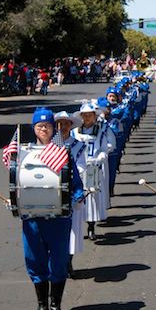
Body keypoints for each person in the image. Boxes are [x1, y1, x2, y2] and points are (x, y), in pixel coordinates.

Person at [16, 108, 84, 310]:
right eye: (39, 126)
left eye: (47, 126)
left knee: (59, 262)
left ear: (54, 129)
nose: (44, 129)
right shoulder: (24, 153)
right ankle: (42, 305)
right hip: (33, 218)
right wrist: (14, 199)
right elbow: (16, 182)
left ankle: (56, 304)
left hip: (58, 219)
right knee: (35, 261)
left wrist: (76, 198)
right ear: (34, 129)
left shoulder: (62, 152)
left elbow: (76, 185)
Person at [71, 102, 110, 240]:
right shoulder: (74, 132)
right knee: (78, 196)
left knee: (92, 197)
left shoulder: (100, 132)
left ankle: (91, 226)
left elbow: (105, 149)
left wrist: (99, 158)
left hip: (93, 168)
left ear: (94, 116)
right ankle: (77, 227)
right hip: (78, 168)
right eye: (85, 115)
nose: (87, 118)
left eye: (90, 115)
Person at [54, 111, 87, 278]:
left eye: (66, 123)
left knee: (72, 230)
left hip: (71, 188)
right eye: (59, 123)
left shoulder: (77, 145)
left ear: (70, 125)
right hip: (53, 190)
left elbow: (81, 167)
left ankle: (68, 262)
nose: (62, 126)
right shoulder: (49, 145)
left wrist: (69, 176)